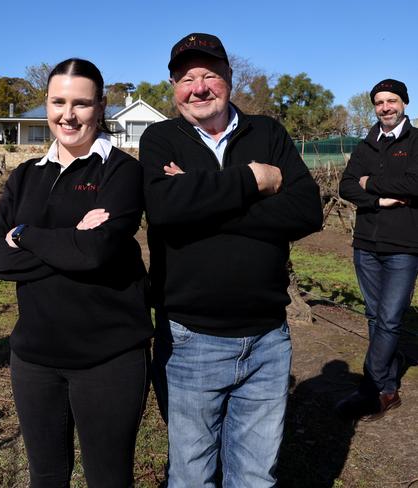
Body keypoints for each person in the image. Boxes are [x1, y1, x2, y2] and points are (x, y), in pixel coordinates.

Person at [140, 33, 323, 487]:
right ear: (173, 86)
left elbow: (306, 211)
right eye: (186, 79)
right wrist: (253, 180)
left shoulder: (268, 132)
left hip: (267, 339)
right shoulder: (161, 137)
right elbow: (164, 211)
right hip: (190, 337)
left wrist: (202, 195)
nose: (198, 88)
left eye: (209, 76)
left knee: (257, 475)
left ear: (228, 78)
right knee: (192, 474)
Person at [0, 58, 153, 487]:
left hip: (109, 357)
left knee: (108, 478)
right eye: (58, 102)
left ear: (100, 107)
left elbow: (95, 254)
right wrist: (69, 238)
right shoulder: (25, 176)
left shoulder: (123, 172)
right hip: (35, 357)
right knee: (45, 477)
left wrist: (23, 233)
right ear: (46, 103)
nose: (68, 114)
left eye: (81, 103)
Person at [337, 79, 418, 421]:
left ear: (404, 104)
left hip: (404, 245)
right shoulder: (366, 144)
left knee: (389, 317)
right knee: (374, 315)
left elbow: (415, 184)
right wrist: (378, 198)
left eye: (392, 100)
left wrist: (370, 182)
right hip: (366, 244)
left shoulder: (416, 142)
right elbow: (345, 185)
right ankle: (388, 385)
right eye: (379, 102)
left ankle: (370, 387)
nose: (385, 107)